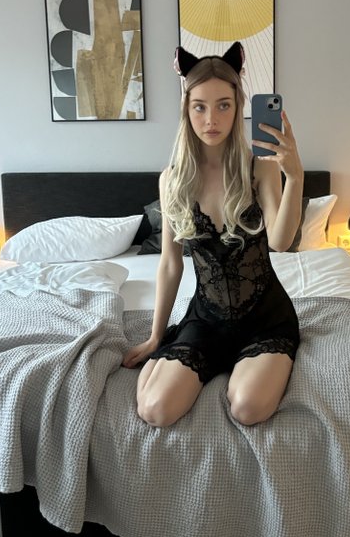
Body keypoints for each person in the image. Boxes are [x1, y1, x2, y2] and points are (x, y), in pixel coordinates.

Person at [123, 41, 304, 427]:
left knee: (247, 408)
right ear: (186, 110)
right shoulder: (172, 180)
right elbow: (170, 265)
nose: (211, 119)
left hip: (265, 319)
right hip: (207, 319)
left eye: (223, 105)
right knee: (154, 410)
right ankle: (176, 360)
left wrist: (295, 176)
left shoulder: (260, 168)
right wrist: (156, 336)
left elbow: (280, 241)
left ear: (238, 107)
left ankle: (242, 368)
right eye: (199, 107)